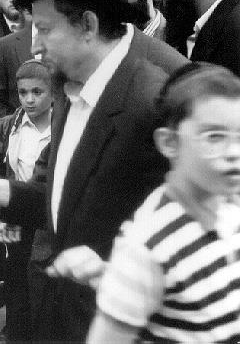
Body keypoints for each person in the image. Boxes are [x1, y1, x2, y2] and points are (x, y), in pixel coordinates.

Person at [0, 0, 182, 341]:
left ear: (88, 25)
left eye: (45, 29)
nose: (35, 46)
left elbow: (187, 247)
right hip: (58, 311)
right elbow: (68, 196)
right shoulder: (69, 84)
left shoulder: (155, 103)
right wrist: (0, 191)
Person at [88, 63, 240, 342]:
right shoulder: (147, 245)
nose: (234, 152)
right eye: (214, 137)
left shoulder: (230, 207)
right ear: (170, 143)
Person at [0, 59, 53, 343]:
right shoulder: (9, 124)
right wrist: (0, 211)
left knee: (44, 283)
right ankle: (15, 332)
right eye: (23, 92)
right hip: (15, 213)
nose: (29, 99)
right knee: (16, 279)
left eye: (37, 92)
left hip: (49, 218)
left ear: (53, 92)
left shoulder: (63, 127)